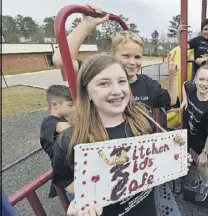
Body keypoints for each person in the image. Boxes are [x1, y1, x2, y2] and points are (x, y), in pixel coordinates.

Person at [52, 54, 191, 216]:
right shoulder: (70, 140)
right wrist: (83, 198)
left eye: (122, 81)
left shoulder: (142, 119)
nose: (117, 91)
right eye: (104, 83)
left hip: (147, 208)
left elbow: (152, 159)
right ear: (86, 92)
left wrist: (174, 159)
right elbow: (65, 180)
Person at [52, 3, 178, 115]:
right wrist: (86, 25)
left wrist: (173, 76)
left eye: (137, 57)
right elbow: (61, 60)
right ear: (112, 56)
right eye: (126, 56)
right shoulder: (97, 76)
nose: (132, 62)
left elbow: (171, 101)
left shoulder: (148, 85)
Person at [181, 65, 208, 202]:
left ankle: (205, 184)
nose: (204, 84)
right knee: (196, 161)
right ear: (195, 79)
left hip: (207, 144)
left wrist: (205, 153)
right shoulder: (192, 88)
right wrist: (185, 99)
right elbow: (184, 84)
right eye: (201, 79)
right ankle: (201, 177)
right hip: (194, 138)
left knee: (201, 165)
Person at [40, 85, 73, 162]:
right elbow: (65, 127)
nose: (74, 108)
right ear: (54, 105)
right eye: (70, 105)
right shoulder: (48, 122)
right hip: (63, 168)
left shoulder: (65, 119)